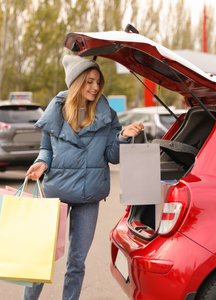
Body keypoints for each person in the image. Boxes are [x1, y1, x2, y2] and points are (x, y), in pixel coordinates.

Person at [23, 55, 143, 300]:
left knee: (76, 263)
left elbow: (112, 155)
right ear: (76, 82)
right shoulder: (56, 109)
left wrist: (122, 137)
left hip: (89, 196)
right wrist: (41, 163)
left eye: (98, 82)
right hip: (55, 193)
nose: (95, 87)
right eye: (89, 81)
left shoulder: (107, 113)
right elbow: (46, 148)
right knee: (41, 259)